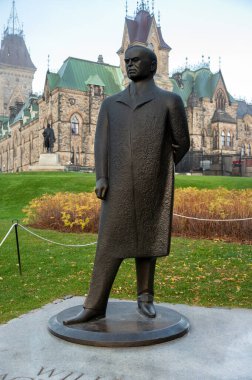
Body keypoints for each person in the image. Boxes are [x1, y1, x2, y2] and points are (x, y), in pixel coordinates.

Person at [64, 45, 190, 325]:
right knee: (108, 243)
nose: (130, 65)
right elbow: (101, 143)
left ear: (153, 66)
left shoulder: (170, 101)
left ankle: (145, 297)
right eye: (127, 61)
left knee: (147, 239)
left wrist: (160, 167)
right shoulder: (112, 103)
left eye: (136, 61)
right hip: (117, 184)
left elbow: (182, 143)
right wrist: (101, 176)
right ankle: (95, 305)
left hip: (151, 182)